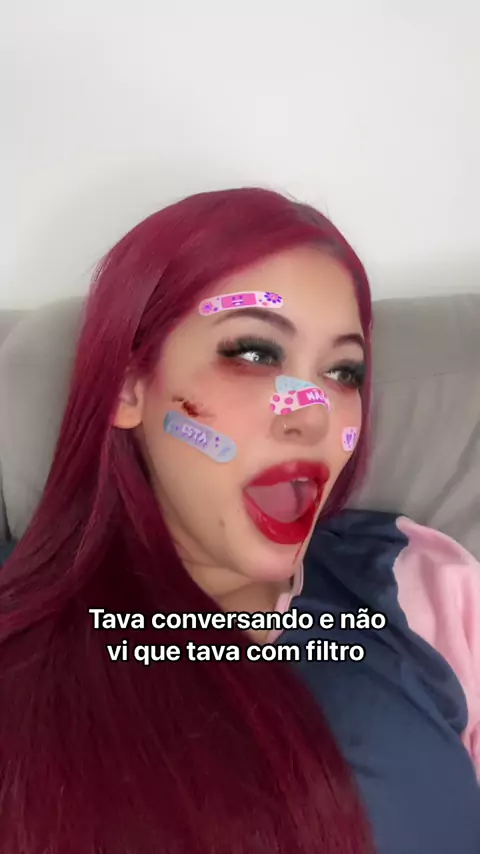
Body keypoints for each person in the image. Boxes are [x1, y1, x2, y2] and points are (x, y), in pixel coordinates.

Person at [0, 188, 478, 854]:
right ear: (128, 387)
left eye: (344, 372)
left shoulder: (422, 584)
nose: (313, 414)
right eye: (255, 353)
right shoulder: (19, 640)